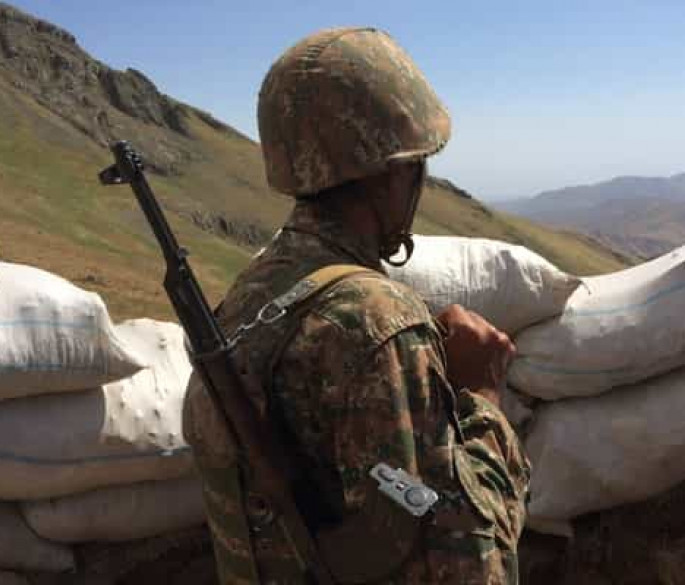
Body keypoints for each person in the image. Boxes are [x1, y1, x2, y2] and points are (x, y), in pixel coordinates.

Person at [183, 27, 530, 584]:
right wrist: (483, 400)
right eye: (418, 165)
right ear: (395, 170)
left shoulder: (248, 295)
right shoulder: (376, 322)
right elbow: (471, 570)